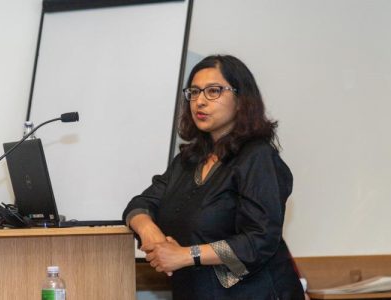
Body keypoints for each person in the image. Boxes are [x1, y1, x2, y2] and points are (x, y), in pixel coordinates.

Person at [123, 55, 305, 299]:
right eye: (195, 92)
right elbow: (140, 205)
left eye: (213, 91)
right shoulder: (189, 161)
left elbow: (258, 240)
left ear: (241, 100)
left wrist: (187, 255)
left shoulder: (257, 157)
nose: (200, 101)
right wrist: (149, 232)